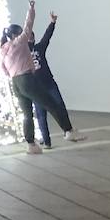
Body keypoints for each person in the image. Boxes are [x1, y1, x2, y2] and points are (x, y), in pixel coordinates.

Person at [0, 0, 85, 153]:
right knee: (51, 104)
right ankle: (68, 131)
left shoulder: (3, 49)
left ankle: (31, 145)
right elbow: (29, 25)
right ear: (14, 35)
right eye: (19, 32)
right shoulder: (19, 42)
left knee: (27, 114)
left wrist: (13, 74)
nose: (23, 33)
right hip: (26, 79)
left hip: (15, 82)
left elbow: (3, 69)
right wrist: (31, 9)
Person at [29, 11, 71, 149]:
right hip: (36, 88)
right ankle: (46, 141)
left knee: (59, 105)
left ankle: (68, 131)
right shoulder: (22, 53)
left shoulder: (39, 48)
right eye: (28, 36)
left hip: (49, 83)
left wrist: (52, 23)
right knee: (41, 115)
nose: (30, 38)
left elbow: (47, 37)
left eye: (32, 36)